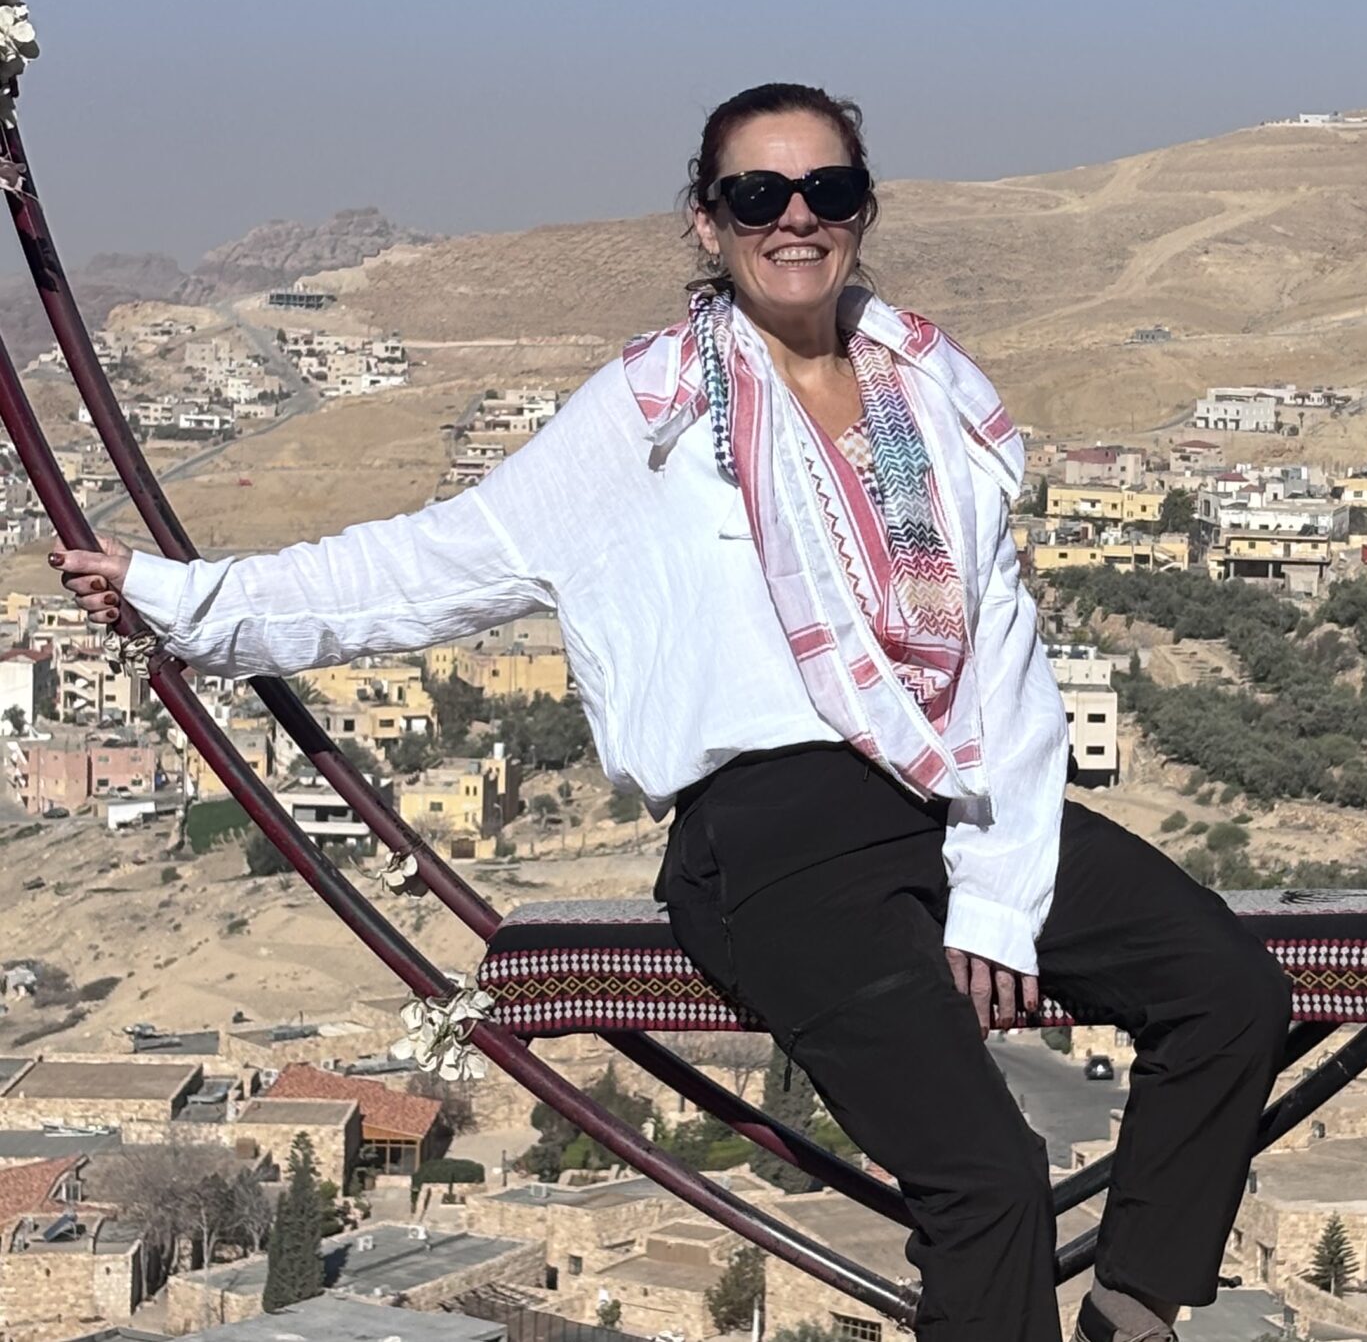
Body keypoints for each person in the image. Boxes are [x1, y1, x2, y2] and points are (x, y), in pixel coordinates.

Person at [53, 82, 1293, 1342]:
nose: (795, 217)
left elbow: (1002, 647)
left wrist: (998, 889)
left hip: (948, 788)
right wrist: (182, 601)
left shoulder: (929, 395)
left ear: (864, 211)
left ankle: (1133, 1307)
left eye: (827, 190)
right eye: (759, 194)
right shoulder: (646, 417)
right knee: (988, 1184)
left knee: (1229, 990)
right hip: (777, 838)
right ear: (708, 220)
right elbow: (430, 564)